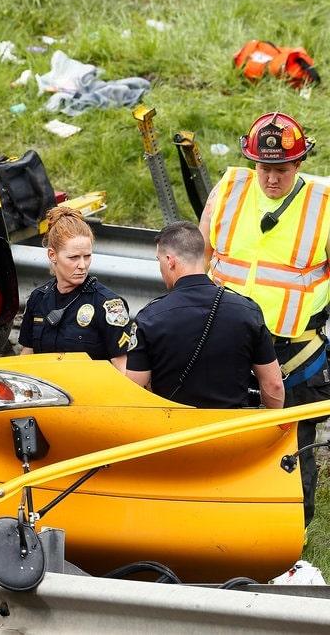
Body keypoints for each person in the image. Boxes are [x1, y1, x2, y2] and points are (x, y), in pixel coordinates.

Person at [199, 111, 329, 526]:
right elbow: (200, 256)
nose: (271, 178)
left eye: (282, 169)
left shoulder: (322, 207)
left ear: (299, 164)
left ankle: (293, 534)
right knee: (220, 440)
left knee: (292, 446)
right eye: (265, 168)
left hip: (293, 351)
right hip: (225, 340)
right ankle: (219, 523)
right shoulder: (229, 190)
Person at [126, 221, 284, 408]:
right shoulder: (247, 311)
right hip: (233, 432)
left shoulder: (150, 317)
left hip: (175, 431)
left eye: (159, 260)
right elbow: (273, 385)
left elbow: (134, 386)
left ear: (170, 261)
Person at [19, 206, 134, 370]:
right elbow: (27, 355)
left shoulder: (108, 304)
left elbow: (123, 368)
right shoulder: (38, 298)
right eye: (73, 258)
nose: (82, 265)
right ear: (52, 255)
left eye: (87, 256)